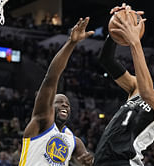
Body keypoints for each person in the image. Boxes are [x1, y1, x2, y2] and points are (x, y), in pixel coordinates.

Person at [94, 4, 154, 166]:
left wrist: (135, 42)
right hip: (103, 159)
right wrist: (117, 29)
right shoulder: (136, 88)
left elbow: (148, 94)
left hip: (126, 161)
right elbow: (106, 60)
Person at [18, 17, 94, 166]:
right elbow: (51, 78)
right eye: (59, 102)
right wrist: (71, 43)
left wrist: (88, 161)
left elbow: (86, 160)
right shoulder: (41, 120)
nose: (65, 105)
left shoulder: (74, 141)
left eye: (67, 104)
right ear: (49, 105)